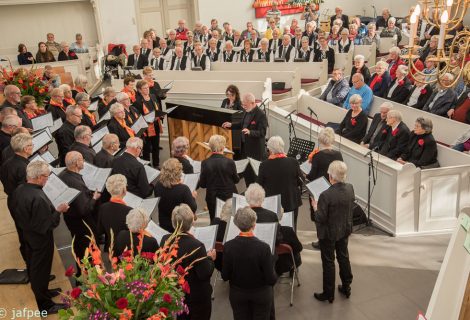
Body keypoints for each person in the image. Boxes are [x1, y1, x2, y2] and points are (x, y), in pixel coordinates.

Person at [12, 161, 69, 314]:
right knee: (41, 270)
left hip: (28, 234)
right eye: (46, 176)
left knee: (35, 268)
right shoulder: (38, 197)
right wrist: (59, 211)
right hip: (40, 239)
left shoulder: (20, 189)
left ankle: (43, 291)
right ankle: (45, 305)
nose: (47, 179)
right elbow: (48, 225)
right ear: (38, 177)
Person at [161, 204, 215, 320]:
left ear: (173, 222)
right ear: (191, 223)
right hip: (196, 297)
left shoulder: (165, 240)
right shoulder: (197, 246)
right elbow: (204, 273)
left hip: (176, 292)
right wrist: (210, 258)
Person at [222, 207, 278, 320]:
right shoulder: (264, 248)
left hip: (238, 294)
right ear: (254, 224)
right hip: (260, 294)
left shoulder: (228, 246)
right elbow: (271, 279)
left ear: (237, 225)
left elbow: (225, 276)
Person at [310, 161, 354, 303]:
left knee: (328, 262)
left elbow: (320, 218)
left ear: (331, 177)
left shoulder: (325, 195)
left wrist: (315, 207)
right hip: (344, 228)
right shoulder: (350, 188)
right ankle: (346, 286)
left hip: (329, 233)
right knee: (343, 256)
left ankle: (328, 294)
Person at [59, 151, 100, 276]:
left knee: (78, 246)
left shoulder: (64, 175)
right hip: (83, 224)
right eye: (82, 159)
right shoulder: (76, 183)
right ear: (77, 163)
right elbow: (84, 209)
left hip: (71, 220)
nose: (84, 162)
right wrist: (94, 198)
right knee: (87, 249)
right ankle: (89, 275)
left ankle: (81, 272)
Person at [0, 133, 33, 265]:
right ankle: (34, 270)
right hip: (24, 205)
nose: (33, 147)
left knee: (23, 234)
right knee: (30, 237)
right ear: (25, 149)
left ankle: (31, 266)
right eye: (31, 145)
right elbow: (28, 191)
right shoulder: (25, 167)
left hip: (12, 201)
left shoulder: (7, 163)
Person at [222, 93, 268, 184]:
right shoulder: (246, 111)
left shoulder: (261, 115)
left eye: (245, 105)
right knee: (247, 171)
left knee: (255, 173)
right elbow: (241, 124)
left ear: (252, 103)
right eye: (243, 105)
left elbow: (262, 132)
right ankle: (248, 190)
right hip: (245, 148)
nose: (243, 107)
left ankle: (257, 192)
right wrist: (231, 125)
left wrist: (250, 132)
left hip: (255, 150)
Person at [258, 136, 303, 227]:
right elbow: (300, 182)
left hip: (273, 203)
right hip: (291, 201)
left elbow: (259, 185)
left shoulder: (264, 165)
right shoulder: (293, 162)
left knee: (274, 227)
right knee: (291, 228)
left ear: (269, 150)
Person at [199, 135, 239, 223]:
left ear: (210, 147)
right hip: (228, 197)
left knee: (214, 221)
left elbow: (202, 184)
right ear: (223, 147)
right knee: (229, 221)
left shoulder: (205, 163)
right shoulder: (230, 162)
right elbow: (236, 180)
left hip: (212, 197)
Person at [154, 158, 197, 232]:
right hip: (180, 225)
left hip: (164, 224)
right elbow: (193, 208)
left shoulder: (158, 185)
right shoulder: (184, 190)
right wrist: (193, 197)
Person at [97, 174, 133, 252]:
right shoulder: (129, 210)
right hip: (127, 250)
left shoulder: (103, 207)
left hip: (111, 248)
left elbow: (100, 230)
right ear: (124, 190)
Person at [134, 80, 163, 167]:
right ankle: (148, 166)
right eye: (144, 88)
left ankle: (156, 164)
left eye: (147, 87)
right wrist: (149, 119)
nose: (147, 89)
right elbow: (138, 118)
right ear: (139, 90)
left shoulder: (153, 96)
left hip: (156, 125)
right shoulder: (138, 102)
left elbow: (157, 108)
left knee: (156, 147)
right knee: (146, 149)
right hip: (146, 128)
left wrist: (160, 114)